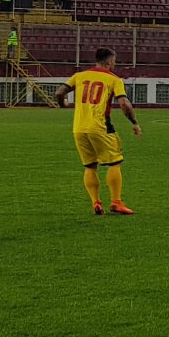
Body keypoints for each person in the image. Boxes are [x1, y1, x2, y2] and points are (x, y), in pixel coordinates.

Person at [55, 47, 141, 215]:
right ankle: (116, 202)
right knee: (114, 162)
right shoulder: (114, 79)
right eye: (114, 61)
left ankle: (96, 202)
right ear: (109, 61)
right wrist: (134, 122)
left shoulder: (79, 76)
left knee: (90, 166)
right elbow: (124, 104)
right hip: (100, 126)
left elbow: (59, 92)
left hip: (79, 128)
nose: (114, 64)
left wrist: (62, 104)